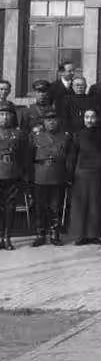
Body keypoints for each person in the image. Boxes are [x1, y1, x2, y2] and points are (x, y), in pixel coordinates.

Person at [28, 110, 72, 247]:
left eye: (54, 119)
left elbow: (69, 158)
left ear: (58, 121)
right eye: (48, 119)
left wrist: (68, 175)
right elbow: (30, 158)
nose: (51, 122)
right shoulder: (35, 137)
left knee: (56, 206)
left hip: (58, 175)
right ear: (43, 122)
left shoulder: (65, 136)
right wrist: (30, 176)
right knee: (40, 207)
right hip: (40, 175)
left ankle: (54, 234)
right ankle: (40, 234)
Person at [68, 109, 101, 245]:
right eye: (87, 117)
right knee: (80, 205)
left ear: (96, 119)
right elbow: (72, 155)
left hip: (97, 173)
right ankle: (80, 235)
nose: (89, 120)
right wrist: (70, 174)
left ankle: (93, 235)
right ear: (83, 119)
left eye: (92, 117)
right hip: (81, 173)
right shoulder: (78, 135)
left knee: (95, 204)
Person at [0, 103, 28, 250]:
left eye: (7, 114)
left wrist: (22, 173)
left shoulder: (19, 134)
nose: (4, 117)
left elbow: (24, 156)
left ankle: (7, 237)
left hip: (12, 173)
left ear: (13, 116)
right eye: (1, 114)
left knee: (10, 207)